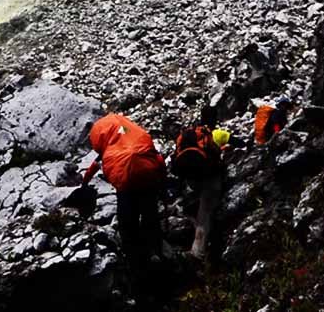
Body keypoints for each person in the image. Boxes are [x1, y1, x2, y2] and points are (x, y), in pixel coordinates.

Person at [81, 113, 166, 260]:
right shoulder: (128, 132)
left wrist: (84, 182)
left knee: (127, 220)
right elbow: (157, 158)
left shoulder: (109, 143)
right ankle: (156, 250)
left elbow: (95, 164)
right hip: (147, 175)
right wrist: (162, 178)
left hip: (125, 180)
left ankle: (134, 256)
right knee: (150, 214)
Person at [171, 108, 232, 260]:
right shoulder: (207, 134)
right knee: (205, 212)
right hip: (207, 177)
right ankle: (198, 252)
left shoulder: (189, 134)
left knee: (197, 205)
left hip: (190, 178)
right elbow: (215, 155)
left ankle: (189, 224)